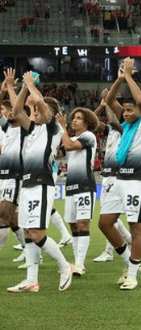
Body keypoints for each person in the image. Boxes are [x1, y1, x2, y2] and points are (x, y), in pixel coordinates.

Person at [7, 71, 73, 293]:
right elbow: (16, 111)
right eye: (33, 110)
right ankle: (31, 280)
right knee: (27, 233)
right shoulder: (31, 129)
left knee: (36, 233)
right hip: (27, 185)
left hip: (42, 184)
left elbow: (43, 108)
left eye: (38, 110)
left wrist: (32, 87)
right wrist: (25, 88)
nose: (34, 113)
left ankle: (65, 267)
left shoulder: (53, 129)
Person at [104, 57, 141, 290]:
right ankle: (128, 261)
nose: (125, 114)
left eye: (129, 110)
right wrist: (118, 79)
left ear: (140, 111)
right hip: (119, 179)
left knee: (136, 226)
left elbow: (139, 99)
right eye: (124, 111)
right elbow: (109, 100)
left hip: (139, 180)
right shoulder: (125, 125)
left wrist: (128, 76)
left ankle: (133, 274)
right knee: (105, 223)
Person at [56, 107, 101, 277]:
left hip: (84, 186)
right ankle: (76, 261)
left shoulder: (88, 136)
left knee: (83, 224)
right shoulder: (72, 137)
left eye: (79, 118)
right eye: (73, 117)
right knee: (73, 225)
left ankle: (80, 264)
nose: (74, 120)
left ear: (87, 122)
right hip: (70, 187)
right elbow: (58, 153)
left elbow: (68, 145)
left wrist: (62, 127)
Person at [92, 91, 133, 263]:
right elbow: (93, 124)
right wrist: (101, 105)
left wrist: (108, 103)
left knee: (109, 216)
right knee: (110, 216)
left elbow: (114, 121)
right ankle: (127, 239)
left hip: (119, 175)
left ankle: (110, 251)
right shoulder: (111, 129)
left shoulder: (127, 129)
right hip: (108, 175)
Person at [0, 70, 26, 260]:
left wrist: (10, 87)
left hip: (14, 178)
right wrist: (3, 91)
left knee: (2, 216)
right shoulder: (7, 128)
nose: (9, 113)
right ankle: (30, 249)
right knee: (13, 219)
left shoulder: (26, 129)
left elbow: (17, 110)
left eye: (12, 111)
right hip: (2, 177)